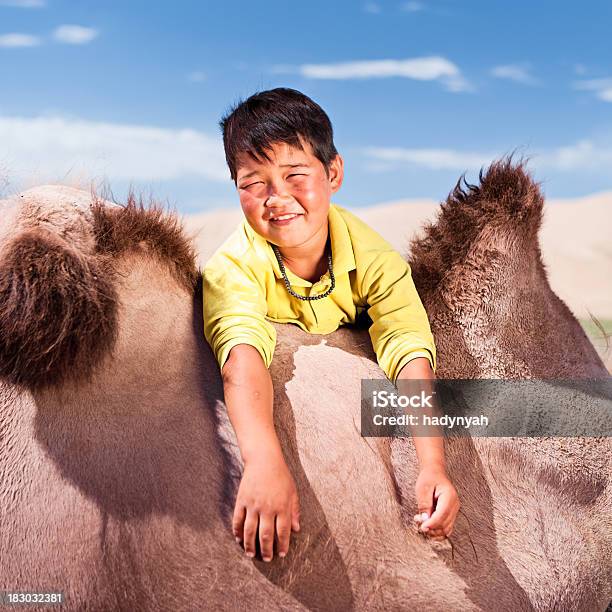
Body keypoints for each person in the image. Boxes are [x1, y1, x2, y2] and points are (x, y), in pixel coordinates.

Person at [202, 87, 459, 562]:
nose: (276, 198)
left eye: (295, 175)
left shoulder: (377, 260)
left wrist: (432, 465)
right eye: (252, 182)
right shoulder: (231, 269)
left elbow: (407, 347)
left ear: (333, 172)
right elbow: (241, 353)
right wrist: (261, 462)